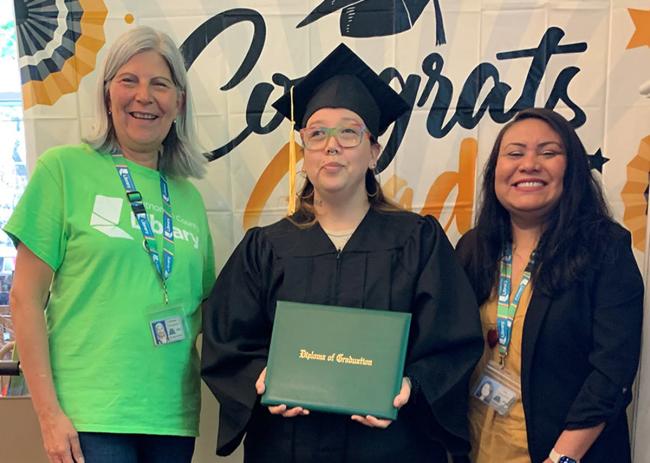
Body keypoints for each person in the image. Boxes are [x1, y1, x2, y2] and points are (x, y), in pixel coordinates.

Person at [201, 43, 483, 462]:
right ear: (304, 153)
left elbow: (451, 342)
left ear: (374, 151)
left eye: (349, 132)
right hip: (288, 447)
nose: (331, 145)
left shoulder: (417, 242)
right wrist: (261, 379)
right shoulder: (267, 248)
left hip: (392, 449)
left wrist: (411, 387)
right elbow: (228, 340)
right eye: (317, 133)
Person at [6, 26, 215, 463]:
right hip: (90, 417)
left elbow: (208, 309)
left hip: (171, 418)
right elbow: (25, 299)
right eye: (129, 80)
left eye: (160, 84)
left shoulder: (189, 198)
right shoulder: (63, 170)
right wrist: (48, 414)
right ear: (106, 93)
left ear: (179, 103)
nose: (144, 96)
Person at [455, 108, 643, 463]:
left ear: (570, 170)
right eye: (514, 153)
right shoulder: (473, 248)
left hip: (563, 454)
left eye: (548, 152)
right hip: (481, 445)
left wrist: (562, 458)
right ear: (495, 170)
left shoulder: (604, 249)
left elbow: (612, 370)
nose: (529, 164)